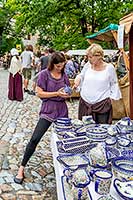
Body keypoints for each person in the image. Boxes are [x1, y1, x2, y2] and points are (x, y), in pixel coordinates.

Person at [14, 52, 71, 184]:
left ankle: (66, 170)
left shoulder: (64, 75)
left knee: (65, 140)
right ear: (52, 64)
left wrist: (67, 94)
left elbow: (68, 90)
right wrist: (56, 93)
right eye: (58, 66)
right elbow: (39, 93)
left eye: (62, 66)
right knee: (35, 139)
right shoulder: (44, 74)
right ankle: (21, 168)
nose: (60, 68)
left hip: (62, 110)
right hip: (48, 110)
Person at [73, 43, 121, 124]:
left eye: (90, 57)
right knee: (84, 130)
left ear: (99, 56)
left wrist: (111, 100)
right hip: (85, 103)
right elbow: (81, 75)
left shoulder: (109, 68)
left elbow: (114, 84)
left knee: (102, 131)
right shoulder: (87, 65)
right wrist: (78, 79)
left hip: (102, 105)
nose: (88, 59)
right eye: (88, 57)